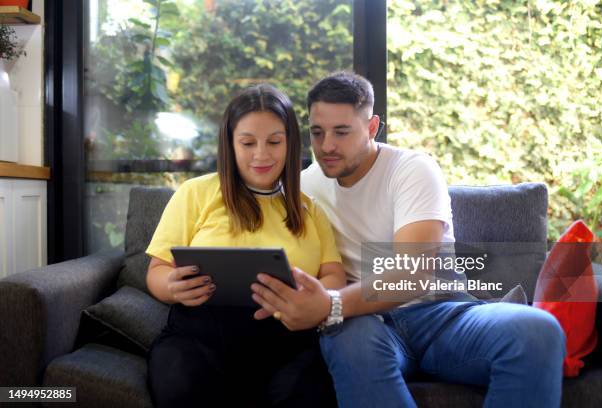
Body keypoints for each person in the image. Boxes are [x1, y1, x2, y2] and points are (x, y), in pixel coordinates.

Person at [250, 72, 566, 407]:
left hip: (444, 314)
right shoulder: (302, 189)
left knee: (538, 331)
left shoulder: (412, 169)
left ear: (372, 128)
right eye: (317, 132)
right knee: (346, 336)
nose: (327, 145)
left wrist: (331, 303)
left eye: (342, 132)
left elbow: (413, 274)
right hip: (365, 324)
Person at [145, 84, 345, 408]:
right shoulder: (195, 193)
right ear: (230, 143)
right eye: (248, 143)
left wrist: (315, 299)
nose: (262, 155)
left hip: (287, 342)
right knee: (181, 386)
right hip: (199, 338)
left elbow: (334, 275)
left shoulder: (310, 208)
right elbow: (157, 270)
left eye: (275, 142)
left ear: (290, 143)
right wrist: (171, 286)